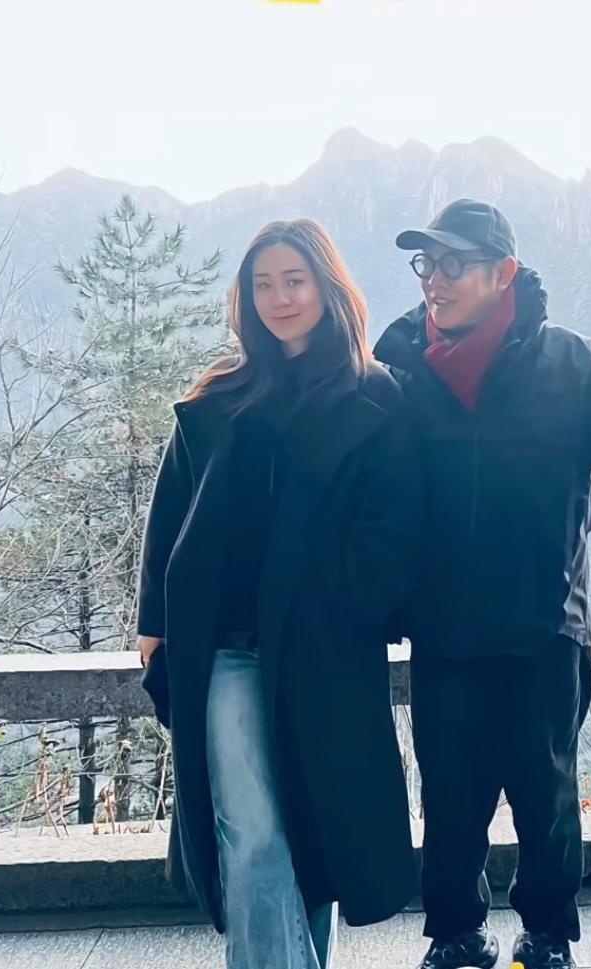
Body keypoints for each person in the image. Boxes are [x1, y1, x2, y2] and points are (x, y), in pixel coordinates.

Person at [374, 198, 591, 969]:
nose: (434, 279)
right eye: (427, 263)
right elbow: (351, 474)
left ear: (503, 273)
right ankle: (456, 932)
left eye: (454, 263)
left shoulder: (571, 366)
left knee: (547, 794)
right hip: (442, 628)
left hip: (544, 621)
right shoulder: (398, 361)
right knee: (451, 795)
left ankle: (546, 934)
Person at [136, 218, 422, 969]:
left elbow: (396, 528)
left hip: (324, 651)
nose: (279, 298)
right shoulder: (223, 397)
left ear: (327, 287)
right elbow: (171, 513)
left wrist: (344, 608)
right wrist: (153, 621)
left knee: (311, 835)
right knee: (253, 832)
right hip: (224, 648)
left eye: (294, 280)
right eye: (263, 284)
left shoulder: (374, 395)